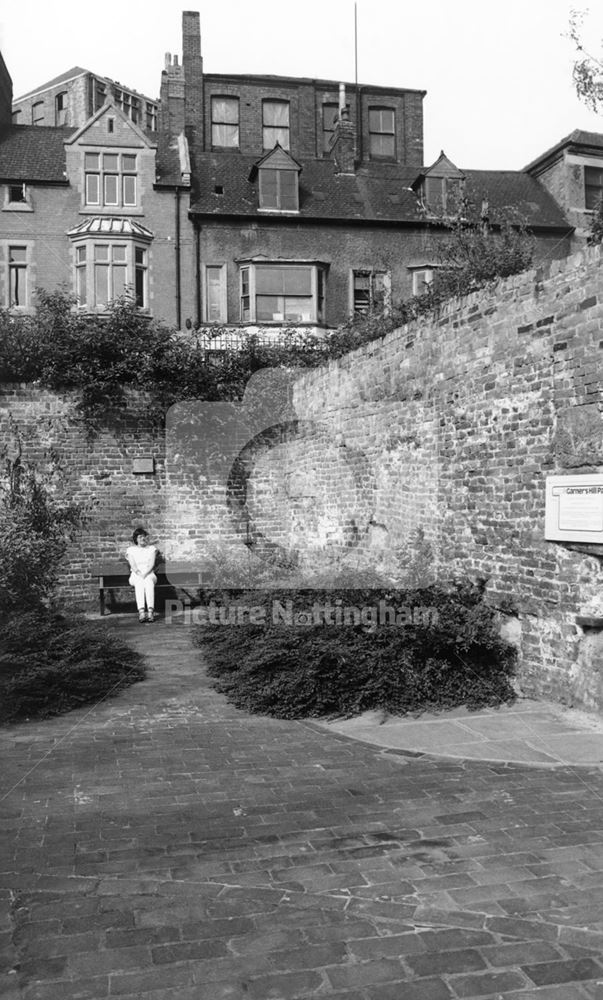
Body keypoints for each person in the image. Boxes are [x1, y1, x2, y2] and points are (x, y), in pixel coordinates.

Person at [126, 528, 158, 623]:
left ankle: (151, 611)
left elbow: (152, 564)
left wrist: (146, 573)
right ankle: (141, 612)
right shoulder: (131, 550)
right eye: (140, 537)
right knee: (139, 582)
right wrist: (140, 574)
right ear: (136, 539)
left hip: (150, 574)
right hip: (136, 575)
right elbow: (133, 565)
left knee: (148, 581)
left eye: (144, 536)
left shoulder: (151, 549)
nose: (142, 538)